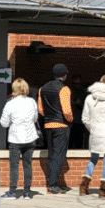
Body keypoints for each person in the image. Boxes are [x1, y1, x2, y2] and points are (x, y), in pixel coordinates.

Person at [0, 78, 38, 200]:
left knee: (14, 166)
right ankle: (27, 192)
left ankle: (12, 191)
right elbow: (35, 119)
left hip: (15, 138)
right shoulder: (32, 102)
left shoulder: (10, 103)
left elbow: (4, 123)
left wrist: (12, 122)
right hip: (30, 137)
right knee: (27, 165)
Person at [37, 64, 73, 194]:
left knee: (52, 154)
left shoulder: (42, 89)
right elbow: (66, 111)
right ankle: (52, 184)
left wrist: (49, 116)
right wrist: (70, 119)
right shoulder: (64, 89)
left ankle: (52, 183)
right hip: (61, 125)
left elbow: (41, 109)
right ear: (64, 75)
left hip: (48, 125)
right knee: (59, 155)